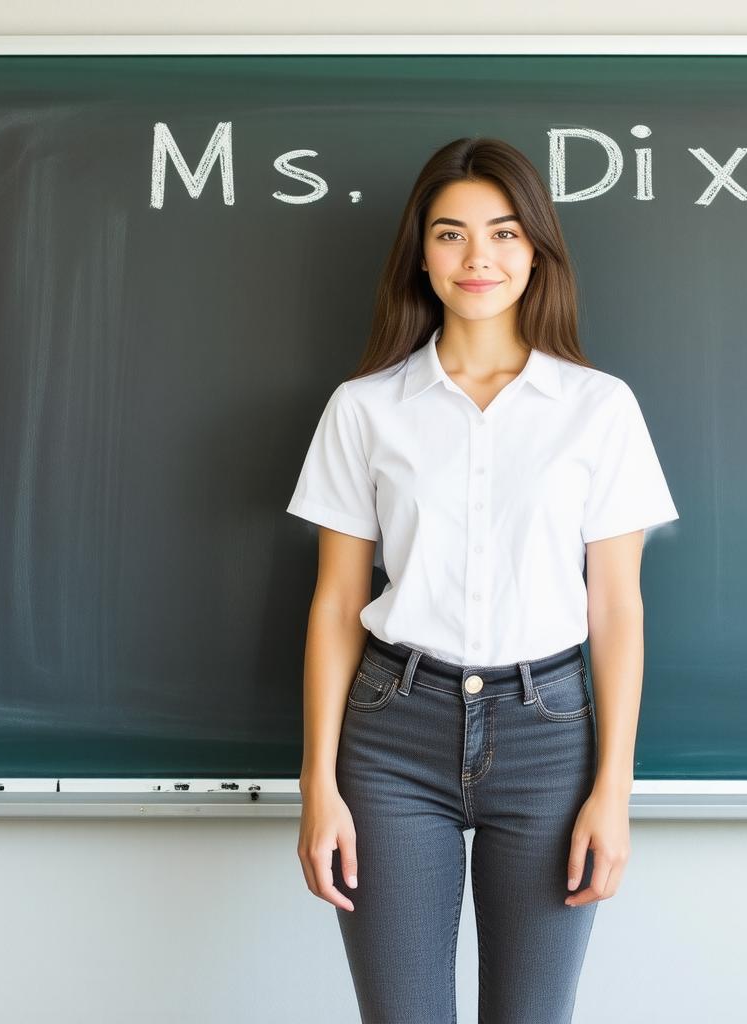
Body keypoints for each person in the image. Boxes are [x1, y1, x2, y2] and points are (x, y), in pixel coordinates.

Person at [289, 136, 679, 1024]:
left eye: (504, 234)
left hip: (549, 738)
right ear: (420, 253)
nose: (479, 259)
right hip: (392, 737)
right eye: (451, 234)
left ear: (535, 250)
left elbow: (617, 607)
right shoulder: (365, 408)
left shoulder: (598, 407)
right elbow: (336, 602)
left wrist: (612, 792)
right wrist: (320, 787)